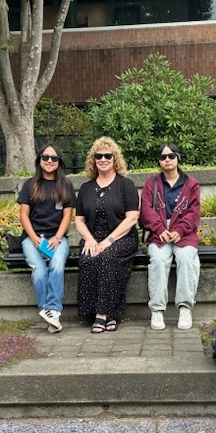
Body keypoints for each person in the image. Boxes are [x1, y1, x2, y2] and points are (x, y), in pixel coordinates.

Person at [74, 136, 140, 333]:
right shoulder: (86, 188)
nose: (103, 159)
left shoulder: (125, 185)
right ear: (93, 160)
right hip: (93, 236)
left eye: (107, 156)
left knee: (107, 257)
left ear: (115, 159)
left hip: (122, 237)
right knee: (87, 258)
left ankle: (102, 315)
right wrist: (91, 239)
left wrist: (109, 240)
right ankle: (101, 312)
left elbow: (132, 218)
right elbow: (79, 220)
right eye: (98, 156)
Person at [140, 143, 201, 331]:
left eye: (171, 156)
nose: (167, 159)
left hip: (184, 233)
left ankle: (185, 308)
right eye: (163, 157)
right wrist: (159, 229)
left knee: (186, 258)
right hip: (160, 233)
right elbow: (146, 210)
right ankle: (157, 310)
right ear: (159, 161)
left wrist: (180, 230)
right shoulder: (152, 183)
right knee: (158, 260)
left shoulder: (191, 184)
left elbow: (194, 211)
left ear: (178, 158)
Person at [17, 143, 75, 333]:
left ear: (59, 162)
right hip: (32, 238)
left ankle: (52, 311)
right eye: (45, 157)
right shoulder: (30, 184)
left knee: (57, 265)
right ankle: (48, 311)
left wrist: (58, 238)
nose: (49, 161)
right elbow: (24, 215)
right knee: (39, 270)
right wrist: (34, 238)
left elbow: (67, 215)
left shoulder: (65, 185)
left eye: (54, 158)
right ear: (39, 160)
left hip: (56, 238)